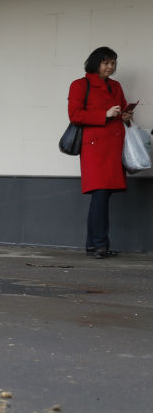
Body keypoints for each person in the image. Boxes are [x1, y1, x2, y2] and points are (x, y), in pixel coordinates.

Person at [68, 46, 132, 259]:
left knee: (103, 197)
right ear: (96, 62)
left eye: (113, 63)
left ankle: (94, 245)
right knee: (100, 195)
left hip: (113, 147)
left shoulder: (116, 86)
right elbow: (75, 115)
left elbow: (121, 109)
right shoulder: (80, 85)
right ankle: (99, 244)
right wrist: (104, 113)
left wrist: (124, 115)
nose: (110, 67)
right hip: (95, 149)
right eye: (106, 62)